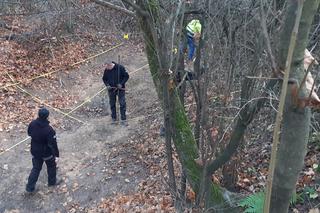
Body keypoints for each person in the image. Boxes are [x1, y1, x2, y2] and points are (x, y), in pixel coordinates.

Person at [26, 107, 60, 193]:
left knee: (36, 168)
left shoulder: (32, 123)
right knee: (51, 167)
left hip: (35, 151)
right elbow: (53, 144)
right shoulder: (49, 130)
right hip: (46, 153)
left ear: (38, 115)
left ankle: (29, 188)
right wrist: (56, 155)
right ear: (47, 117)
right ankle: (52, 183)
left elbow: (29, 133)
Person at [102, 61, 129, 126]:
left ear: (110, 65)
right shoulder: (106, 70)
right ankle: (114, 118)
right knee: (112, 104)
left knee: (122, 104)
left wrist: (121, 83)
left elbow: (126, 76)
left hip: (120, 89)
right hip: (111, 90)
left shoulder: (120, 68)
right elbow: (104, 79)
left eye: (107, 67)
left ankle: (123, 120)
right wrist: (107, 85)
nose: (106, 68)